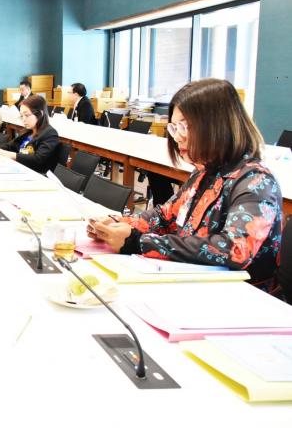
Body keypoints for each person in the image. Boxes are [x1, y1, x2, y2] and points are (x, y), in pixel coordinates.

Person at [87, 79, 283, 292]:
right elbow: (165, 216)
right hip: (194, 282)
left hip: (240, 295)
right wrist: (117, 224)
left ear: (218, 125)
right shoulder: (204, 171)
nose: (178, 137)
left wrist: (138, 242)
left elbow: (235, 249)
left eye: (185, 126)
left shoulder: (256, 181)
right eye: (174, 127)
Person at [0, 94, 60, 174]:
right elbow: (10, 146)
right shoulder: (29, 131)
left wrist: (3, 152)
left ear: (40, 114)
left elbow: (37, 160)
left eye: (27, 115)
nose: (23, 120)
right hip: (20, 169)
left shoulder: (50, 133)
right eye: (22, 116)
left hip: (35, 175)